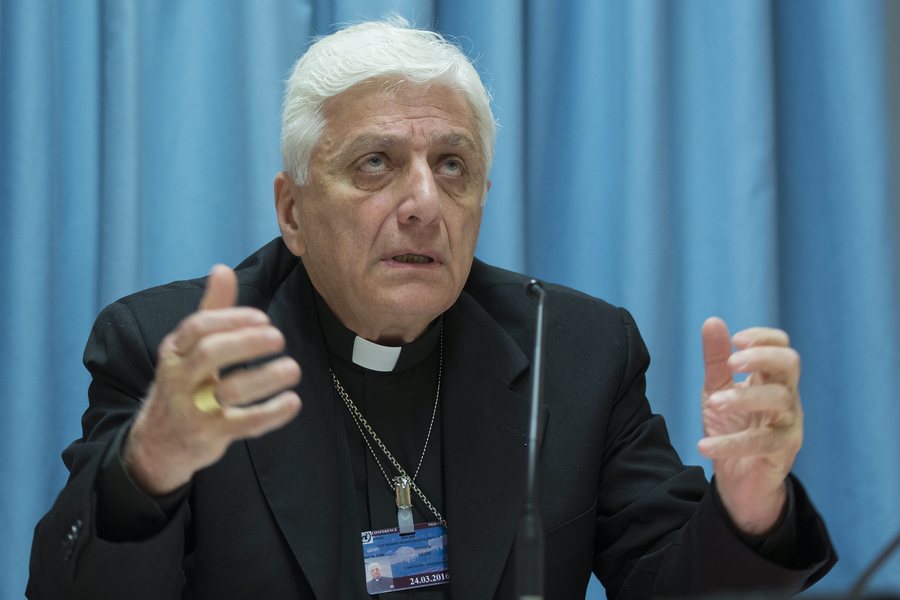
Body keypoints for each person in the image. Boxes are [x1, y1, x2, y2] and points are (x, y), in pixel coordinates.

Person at [27, 19, 835, 600]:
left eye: (452, 165)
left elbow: (669, 580)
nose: (423, 203)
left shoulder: (576, 350)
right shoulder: (176, 352)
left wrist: (749, 504)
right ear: (294, 211)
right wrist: (151, 464)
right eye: (376, 163)